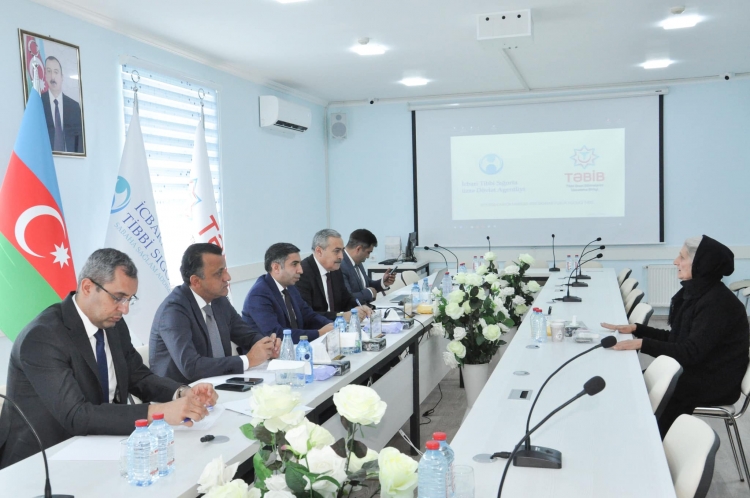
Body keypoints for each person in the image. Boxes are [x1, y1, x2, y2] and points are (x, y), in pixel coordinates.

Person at [0, 249, 217, 469]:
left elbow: (138, 376)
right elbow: (77, 415)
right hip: (40, 461)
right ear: (87, 287)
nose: (125, 309)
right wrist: (158, 413)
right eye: (118, 297)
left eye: (130, 299)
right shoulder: (42, 336)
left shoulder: (114, 324)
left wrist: (182, 392)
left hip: (100, 446)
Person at [602, 235, 749, 438]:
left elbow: (689, 352)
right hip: (700, 370)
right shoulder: (701, 293)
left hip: (714, 382)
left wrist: (641, 343)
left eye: (682, 257)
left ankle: (645, 442)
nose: (675, 262)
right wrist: (637, 329)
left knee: (638, 388)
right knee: (632, 382)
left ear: (701, 264)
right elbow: (678, 339)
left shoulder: (717, 303)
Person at [150, 243, 279, 384]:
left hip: (220, 384)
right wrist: (248, 360)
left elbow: (246, 335)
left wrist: (268, 345)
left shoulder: (219, 300)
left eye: (225, 270)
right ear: (196, 281)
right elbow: (191, 367)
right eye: (219, 273)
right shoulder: (173, 311)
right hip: (182, 391)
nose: (227, 277)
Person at [242, 243, 333, 343]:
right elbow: (277, 335)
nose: (300, 270)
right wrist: (319, 333)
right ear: (276, 268)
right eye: (294, 264)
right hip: (271, 351)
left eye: (300, 264)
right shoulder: (259, 295)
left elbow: (309, 315)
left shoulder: (290, 287)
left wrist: (332, 326)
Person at [296, 229, 372, 321]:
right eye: (336, 251)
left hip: (337, 326)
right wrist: (341, 316)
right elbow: (307, 315)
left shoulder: (335, 269)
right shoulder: (303, 273)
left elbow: (346, 300)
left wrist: (361, 308)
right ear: (319, 251)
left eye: (342, 251)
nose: (341, 256)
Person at [341, 229, 397, 304]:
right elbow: (347, 299)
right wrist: (369, 293)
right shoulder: (340, 266)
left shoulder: (357, 261)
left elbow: (367, 284)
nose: (368, 256)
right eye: (368, 252)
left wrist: (383, 282)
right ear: (358, 249)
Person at [40, 56, 84, 153]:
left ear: (62, 77)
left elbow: (80, 143)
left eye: (56, 72)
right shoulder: (38, 104)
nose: (52, 77)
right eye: (49, 71)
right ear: (45, 75)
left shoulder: (75, 107)